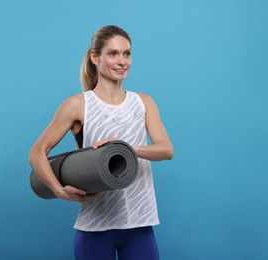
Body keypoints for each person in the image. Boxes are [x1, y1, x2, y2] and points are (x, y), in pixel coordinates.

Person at [28, 25, 173, 260]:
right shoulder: (78, 104)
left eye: (127, 53)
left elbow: (167, 150)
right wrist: (59, 190)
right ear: (95, 57)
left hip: (140, 224)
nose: (122, 61)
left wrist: (125, 149)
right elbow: (36, 153)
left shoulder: (144, 102)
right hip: (95, 227)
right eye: (112, 53)